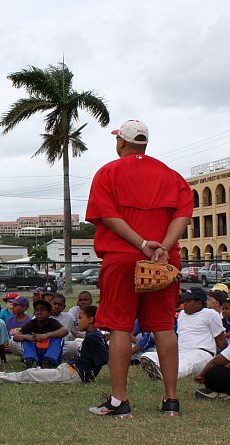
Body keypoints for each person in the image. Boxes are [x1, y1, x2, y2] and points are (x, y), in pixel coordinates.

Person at [86, 119, 193, 418]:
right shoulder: (171, 176)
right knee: (163, 326)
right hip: (164, 260)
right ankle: (171, 400)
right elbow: (182, 216)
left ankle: (119, 401)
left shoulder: (108, 172)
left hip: (122, 257)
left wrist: (142, 243)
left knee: (120, 327)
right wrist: (162, 248)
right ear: (145, 143)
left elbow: (107, 216)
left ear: (121, 142)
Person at [0, 305, 108, 384]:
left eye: (80, 318)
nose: (77, 321)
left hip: (73, 374)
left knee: (30, 375)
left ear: (91, 319)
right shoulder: (94, 335)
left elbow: (104, 359)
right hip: (68, 368)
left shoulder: (93, 337)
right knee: (34, 372)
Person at [139, 288, 227, 380]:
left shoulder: (210, 314)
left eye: (188, 301)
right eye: (184, 300)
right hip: (180, 351)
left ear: (198, 303)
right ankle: (159, 369)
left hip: (202, 353)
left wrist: (228, 358)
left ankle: (165, 374)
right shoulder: (182, 315)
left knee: (186, 363)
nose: (184, 303)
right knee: (147, 355)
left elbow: (220, 340)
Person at [14, 300, 67, 368]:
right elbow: (16, 337)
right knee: (25, 336)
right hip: (37, 354)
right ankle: (31, 361)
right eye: (37, 310)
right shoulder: (32, 323)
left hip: (49, 353)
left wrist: (46, 336)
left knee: (58, 337)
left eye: (43, 310)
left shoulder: (53, 322)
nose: (39, 312)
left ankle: (49, 361)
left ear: (49, 313)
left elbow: (64, 331)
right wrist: (28, 337)